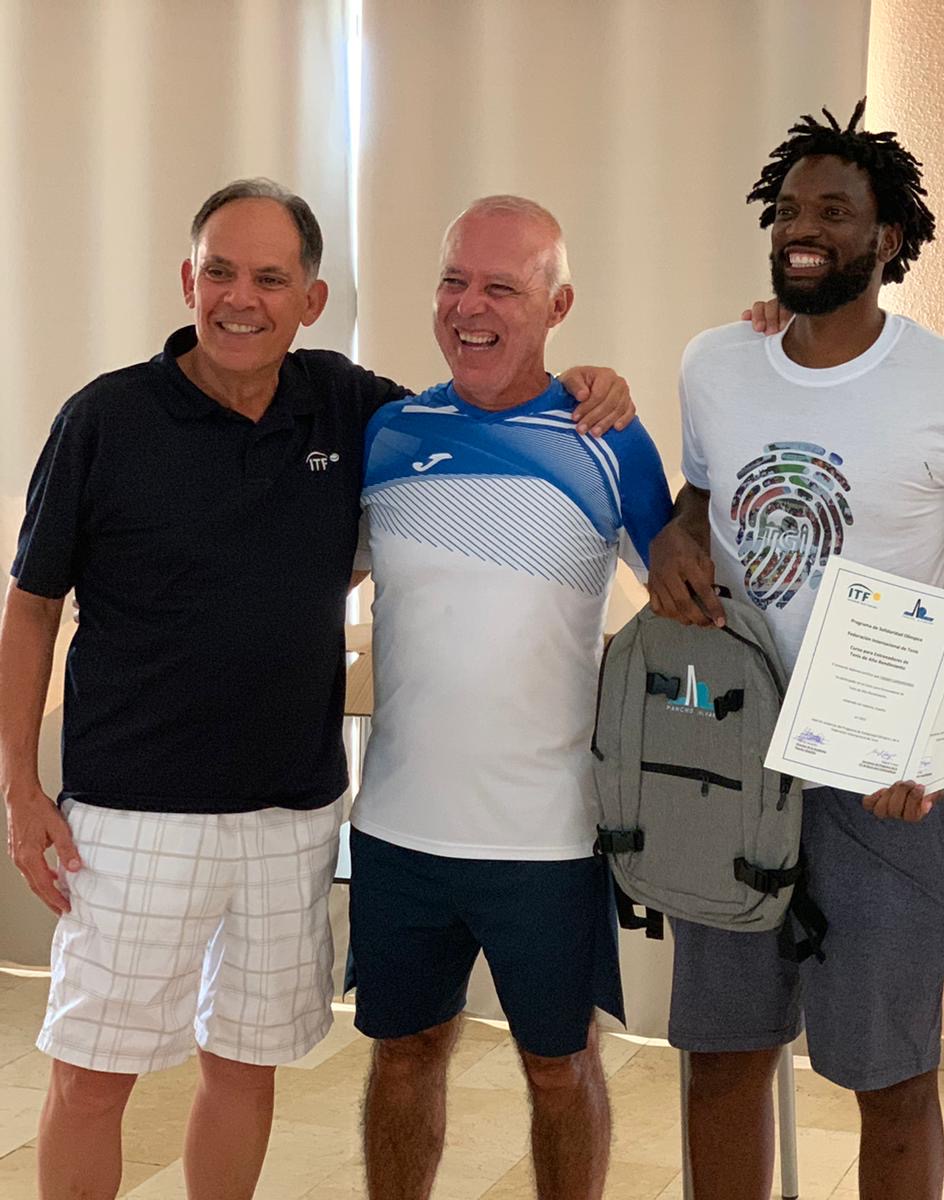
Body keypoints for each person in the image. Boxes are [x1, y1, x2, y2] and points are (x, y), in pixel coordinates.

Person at [0, 178, 632, 1200]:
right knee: (91, 1075)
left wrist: (587, 386)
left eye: (269, 278)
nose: (239, 299)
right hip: (131, 812)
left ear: (312, 298)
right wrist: (20, 787)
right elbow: (31, 606)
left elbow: (485, 400)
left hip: (293, 814)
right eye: (219, 272)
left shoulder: (352, 407)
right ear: (187, 280)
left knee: (245, 1066)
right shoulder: (105, 419)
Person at [648, 100, 944, 1200]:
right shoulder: (716, 362)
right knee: (722, 1058)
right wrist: (674, 537)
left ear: (887, 238)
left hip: (880, 782)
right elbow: (701, 504)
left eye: (834, 211)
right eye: (788, 209)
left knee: (890, 1073)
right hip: (726, 761)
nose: (802, 228)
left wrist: (936, 753)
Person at [347, 195, 672, 1200]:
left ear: (557, 305)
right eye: (454, 281)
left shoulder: (607, 438)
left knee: (559, 1066)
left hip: (548, 837)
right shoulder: (388, 432)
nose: (469, 307)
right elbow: (297, 585)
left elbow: (694, 610)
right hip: (399, 826)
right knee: (403, 1054)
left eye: (501, 287)